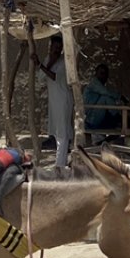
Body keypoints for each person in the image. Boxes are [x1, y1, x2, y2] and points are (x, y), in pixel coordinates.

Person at [30, 36, 73, 167]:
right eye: (54, 47)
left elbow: (54, 76)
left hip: (63, 101)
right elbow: (41, 78)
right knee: (59, 132)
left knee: (63, 134)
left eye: (59, 48)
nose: (56, 50)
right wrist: (46, 63)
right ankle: (64, 160)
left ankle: (59, 165)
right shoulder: (48, 60)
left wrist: (41, 65)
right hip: (54, 102)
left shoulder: (64, 62)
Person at [84, 64, 126, 130]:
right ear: (96, 73)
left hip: (95, 116)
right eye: (101, 73)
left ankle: (118, 119)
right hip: (91, 118)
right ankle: (118, 118)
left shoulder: (99, 85)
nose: (103, 76)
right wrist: (121, 97)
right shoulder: (94, 83)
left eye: (105, 74)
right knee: (105, 98)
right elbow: (106, 92)